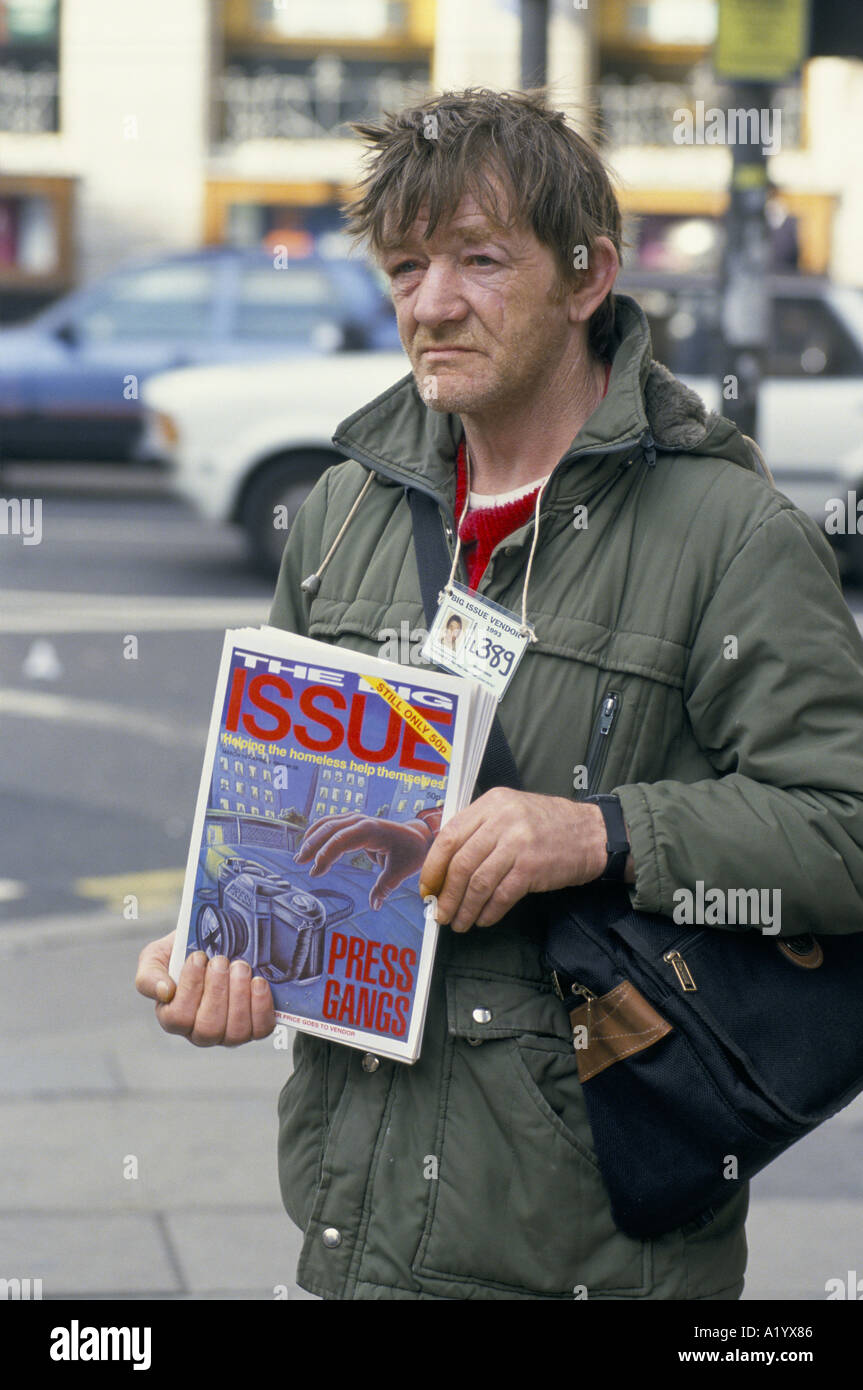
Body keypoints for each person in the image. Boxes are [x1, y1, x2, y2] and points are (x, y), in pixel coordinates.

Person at [136, 89, 863, 1300]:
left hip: (584, 1247)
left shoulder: (731, 532)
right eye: (407, 265)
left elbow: (844, 825)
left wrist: (598, 831)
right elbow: (286, 838)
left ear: (587, 279)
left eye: (479, 260)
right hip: (354, 1232)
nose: (430, 304)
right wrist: (226, 953)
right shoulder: (341, 514)